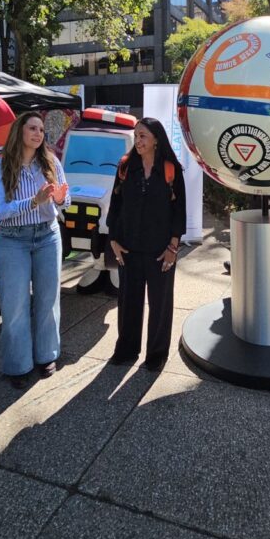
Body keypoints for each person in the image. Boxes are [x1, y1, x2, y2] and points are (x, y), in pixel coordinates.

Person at [0, 112, 69, 389]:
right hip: (13, 239)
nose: (38, 134)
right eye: (32, 128)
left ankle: (47, 355)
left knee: (48, 299)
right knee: (15, 305)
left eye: (41, 130)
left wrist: (61, 199)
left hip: (47, 235)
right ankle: (18, 365)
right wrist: (33, 201)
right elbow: (0, 211)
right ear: (19, 131)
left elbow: (64, 200)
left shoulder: (51, 162)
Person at [107, 117, 186, 372]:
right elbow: (115, 206)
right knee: (128, 302)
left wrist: (173, 248)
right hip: (128, 248)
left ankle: (156, 355)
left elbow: (179, 212)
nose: (138, 140)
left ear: (156, 140)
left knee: (160, 304)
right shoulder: (125, 166)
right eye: (136, 135)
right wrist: (113, 240)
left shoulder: (171, 169)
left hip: (160, 250)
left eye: (143, 136)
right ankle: (126, 350)